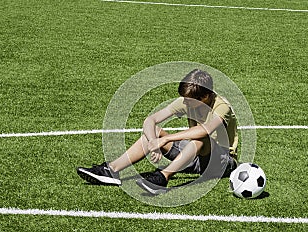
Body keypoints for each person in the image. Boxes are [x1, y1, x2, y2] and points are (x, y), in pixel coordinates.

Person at [77, 69, 238, 195]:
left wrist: (165, 141)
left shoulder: (222, 106)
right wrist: (154, 141)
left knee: (202, 138)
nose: (185, 102)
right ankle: (111, 170)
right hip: (194, 156)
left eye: (189, 100)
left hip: (222, 161)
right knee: (153, 132)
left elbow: (206, 129)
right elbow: (150, 120)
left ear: (206, 96)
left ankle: (162, 178)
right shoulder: (187, 101)